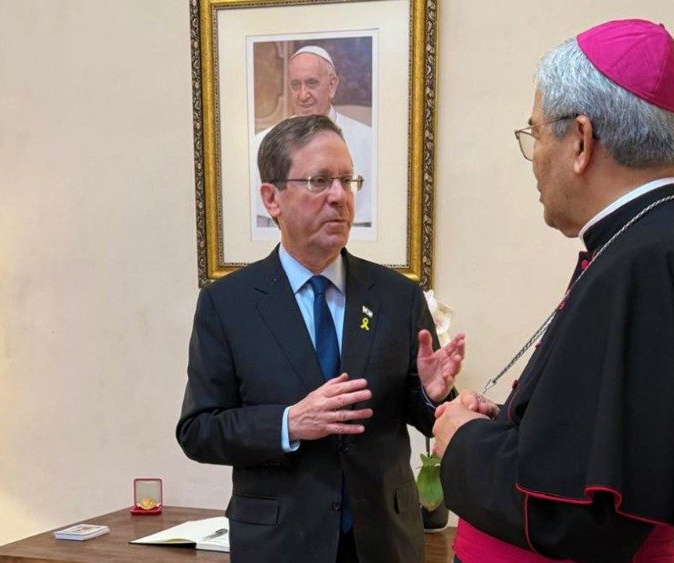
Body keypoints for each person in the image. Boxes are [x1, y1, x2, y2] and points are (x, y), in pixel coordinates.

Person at [432, 19, 674, 563]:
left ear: (581, 141)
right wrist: (510, 423)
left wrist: (463, 440)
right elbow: (602, 446)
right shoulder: (654, 242)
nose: (534, 158)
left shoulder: (646, 263)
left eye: (536, 134)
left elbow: (576, 518)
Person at [179, 114, 464, 562]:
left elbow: (428, 416)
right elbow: (199, 430)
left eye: (347, 181)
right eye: (319, 181)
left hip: (383, 543)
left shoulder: (397, 296)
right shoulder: (228, 304)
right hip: (280, 545)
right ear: (272, 198)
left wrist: (433, 395)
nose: (339, 196)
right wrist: (288, 423)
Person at [254, 46, 374, 230]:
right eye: (296, 85)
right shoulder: (260, 143)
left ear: (332, 86)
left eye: (311, 83)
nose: (303, 95)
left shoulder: (369, 142)